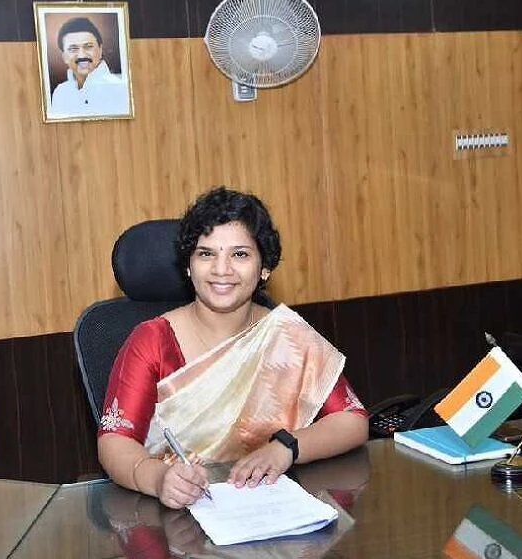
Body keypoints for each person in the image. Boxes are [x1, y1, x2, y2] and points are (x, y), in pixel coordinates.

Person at [98, 187, 369, 509]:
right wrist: (158, 480)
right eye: (206, 254)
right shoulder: (152, 341)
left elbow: (352, 420)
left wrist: (286, 447)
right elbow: (115, 441)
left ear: (264, 267)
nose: (221, 269)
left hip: (268, 508)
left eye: (239, 254)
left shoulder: (287, 335)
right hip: (173, 513)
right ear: (188, 266)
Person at [49, 16, 130, 118]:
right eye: (73, 49)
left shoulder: (120, 88)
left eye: (88, 47)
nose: (82, 55)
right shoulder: (60, 93)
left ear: (100, 50)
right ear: (64, 57)